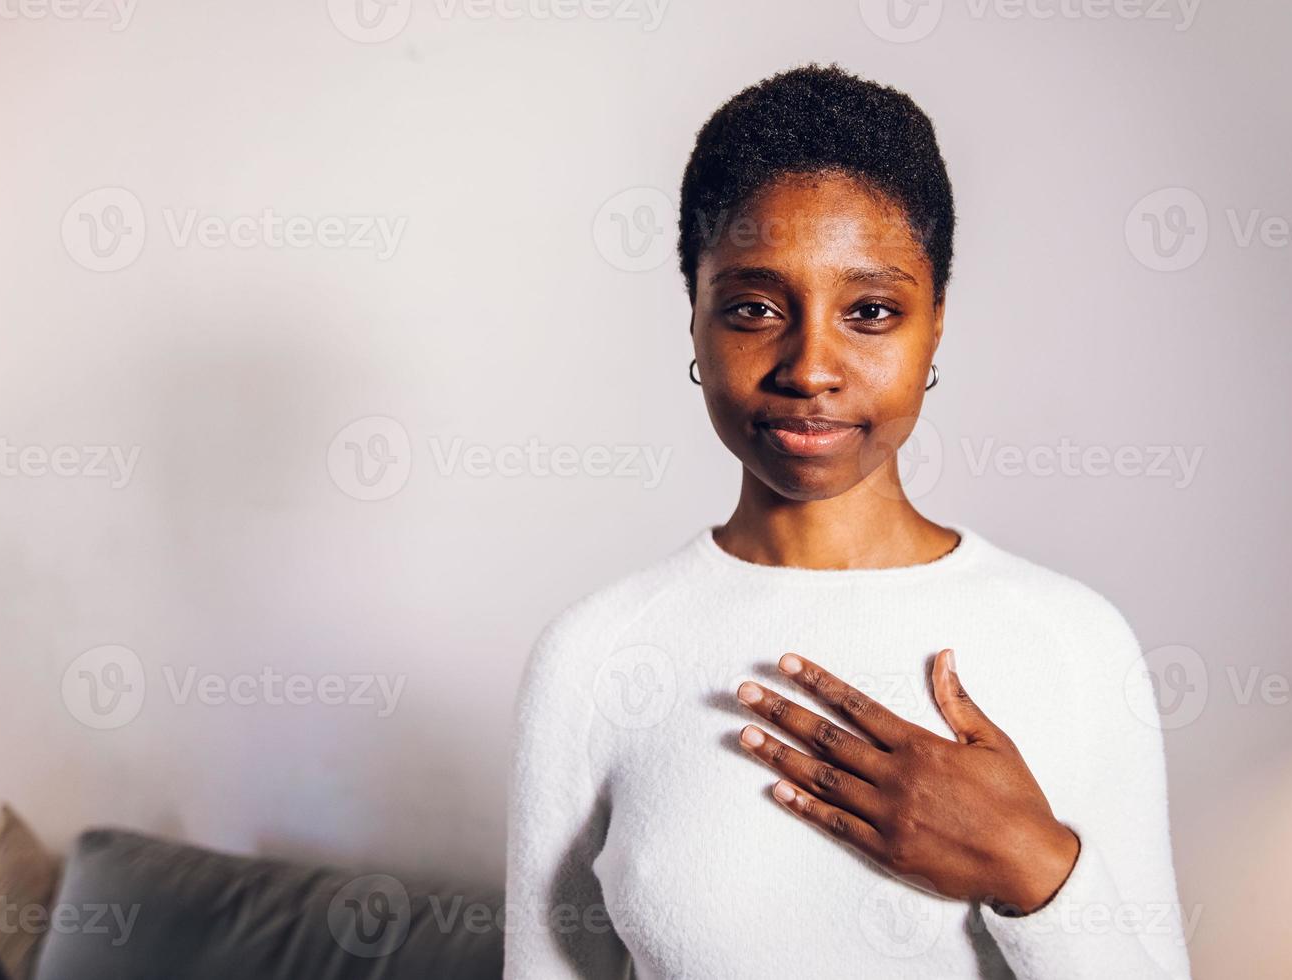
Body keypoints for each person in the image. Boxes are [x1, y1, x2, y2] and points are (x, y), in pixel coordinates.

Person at [502, 62, 1193, 979]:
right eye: (754, 308)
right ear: (696, 320)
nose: (811, 367)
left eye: (870, 311)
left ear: (935, 324)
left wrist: (1034, 867)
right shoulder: (592, 655)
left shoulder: (1073, 643)